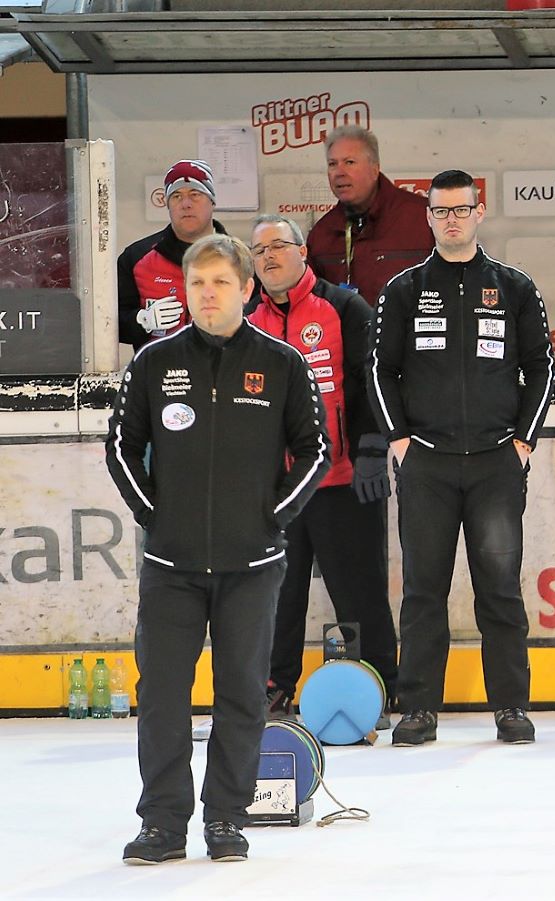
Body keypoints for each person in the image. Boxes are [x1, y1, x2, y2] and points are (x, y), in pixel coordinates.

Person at [106, 233, 329, 864]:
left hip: (252, 567)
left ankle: (226, 818)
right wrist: (156, 517)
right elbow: (121, 447)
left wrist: (272, 521)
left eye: (220, 283)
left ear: (246, 289)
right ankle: (163, 823)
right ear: (185, 289)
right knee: (163, 697)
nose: (208, 295)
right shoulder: (152, 362)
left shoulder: (283, 363)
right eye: (197, 283)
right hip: (170, 567)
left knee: (240, 697)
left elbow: (315, 452)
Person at [370, 170, 554, 746]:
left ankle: (511, 707)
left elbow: (542, 367)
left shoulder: (515, 287)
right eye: (440, 210)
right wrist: (400, 440)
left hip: (497, 461)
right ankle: (419, 708)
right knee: (424, 590)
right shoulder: (403, 290)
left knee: (499, 588)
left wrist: (523, 441)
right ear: (428, 217)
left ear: (479, 213)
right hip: (426, 463)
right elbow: (380, 370)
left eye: (460, 209)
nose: (451, 218)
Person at [245, 214, 397, 720]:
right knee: (277, 596)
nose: (268, 256)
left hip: (342, 481)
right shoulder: (247, 318)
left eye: (278, 246)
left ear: (303, 252)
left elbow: (371, 381)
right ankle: (274, 685)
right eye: (259, 249)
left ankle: (380, 682)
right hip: (280, 492)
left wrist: (372, 449)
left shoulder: (344, 307)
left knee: (360, 591)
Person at [306, 125, 433, 307]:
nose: (339, 172)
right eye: (332, 164)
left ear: (375, 169)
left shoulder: (423, 218)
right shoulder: (321, 234)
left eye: (349, 162)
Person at [117, 160, 227, 348]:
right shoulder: (136, 257)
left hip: (226, 370)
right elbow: (108, 322)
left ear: (212, 201)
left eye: (195, 194)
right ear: (167, 204)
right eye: (176, 196)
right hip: (157, 371)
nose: (185, 204)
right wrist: (142, 320)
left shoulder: (239, 259)